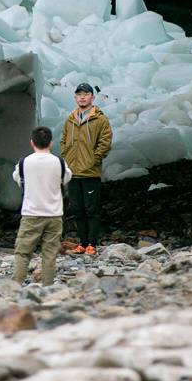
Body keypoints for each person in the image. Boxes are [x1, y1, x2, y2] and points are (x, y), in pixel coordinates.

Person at [11, 126, 72, 285]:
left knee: (23, 253)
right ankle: (48, 286)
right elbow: (66, 179)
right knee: (50, 254)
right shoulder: (59, 162)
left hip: (31, 214)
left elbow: (18, 179)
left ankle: (16, 285)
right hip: (54, 215)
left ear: (32, 143)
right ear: (51, 143)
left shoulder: (24, 163)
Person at [60, 82, 113, 255]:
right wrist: (67, 156)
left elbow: (105, 143)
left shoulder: (100, 119)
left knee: (92, 209)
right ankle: (82, 243)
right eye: (79, 94)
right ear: (75, 97)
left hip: (90, 173)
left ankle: (92, 244)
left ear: (92, 97)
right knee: (77, 209)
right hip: (73, 173)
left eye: (86, 94)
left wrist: (94, 159)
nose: (82, 97)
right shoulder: (71, 119)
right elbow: (64, 140)